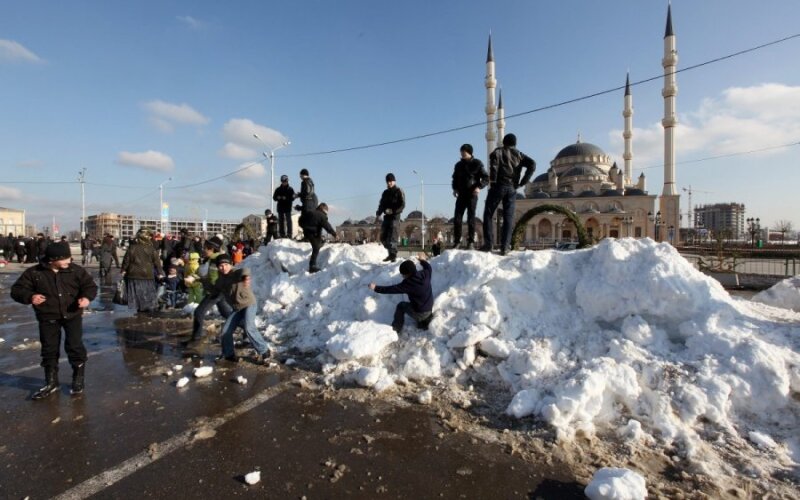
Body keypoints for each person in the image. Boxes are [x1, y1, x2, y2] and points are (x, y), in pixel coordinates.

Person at [10, 243, 98, 399]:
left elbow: (89, 286)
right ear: (52, 260)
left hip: (72, 315)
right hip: (47, 316)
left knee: (75, 346)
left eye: (69, 257)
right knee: (49, 349)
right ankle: (51, 382)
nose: (68, 260)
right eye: (64, 258)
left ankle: (78, 379)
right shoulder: (35, 272)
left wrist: (86, 298)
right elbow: (17, 290)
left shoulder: (75, 270)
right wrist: (30, 297)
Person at [481, 133, 536, 255]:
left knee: (488, 214)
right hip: (512, 188)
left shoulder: (498, 151)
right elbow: (533, 164)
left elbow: (494, 166)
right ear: (515, 144)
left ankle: (488, 244)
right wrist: (523, 181)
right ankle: (505, 247)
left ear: (504, 142)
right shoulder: (519, 155)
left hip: (498, 186)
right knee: (508, 217)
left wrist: (493, 182)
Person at [212, 254, 272, 363]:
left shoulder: (235, 273)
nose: (224, 267)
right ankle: (228, 354)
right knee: (225, 330)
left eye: (226, 264)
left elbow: (245, 271)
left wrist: (245, 277)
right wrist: (199, 280)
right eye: (221, 266)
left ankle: (264, 351)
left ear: (231, 264)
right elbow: (214, 289)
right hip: (237, 308)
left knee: (249, 327)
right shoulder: (220, 280)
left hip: (249, 304)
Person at [368, 252, 433, 333]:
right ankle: (423, 322)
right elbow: (428, 267)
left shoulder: (408, 284)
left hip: (421, 313)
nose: (402, 276)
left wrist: (375, 288)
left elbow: (390, 289)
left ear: (408, 274)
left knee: (401, 306)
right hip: (429, 309)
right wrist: (422, 260)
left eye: (403, 274)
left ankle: (396, 328)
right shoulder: (425, 274)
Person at [186, 237, 233, 347]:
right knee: (227, 314)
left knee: (199, 312)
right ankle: (246, 328)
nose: (203, 250)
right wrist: (193, 277)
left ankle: (196, 339)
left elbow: (222, 275)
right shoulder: (210, 260)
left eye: (205, 248)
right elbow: (203, 273)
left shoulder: (218, 260)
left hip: (215, 292)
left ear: (212, 249)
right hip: (216, 291)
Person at [451, 143, 489, 249]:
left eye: (464, 152)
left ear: (470, 152)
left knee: (471, 218)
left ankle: (471, 242)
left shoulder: (477, 163)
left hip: (472, 194)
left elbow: (486, 178)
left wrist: (479, 187)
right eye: (461, 152)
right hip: (461, 195)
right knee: (457, 218)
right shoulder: (458, 165)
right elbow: (454, 178)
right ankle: (457, 241)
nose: (462, 153)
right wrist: (454, 188)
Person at [120, 229, 165, 314]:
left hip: (133, 274)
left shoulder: (132, 247)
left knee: (137, 292)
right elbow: (157, 262)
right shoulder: (151, 249)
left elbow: (126, 260)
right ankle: (147, 307)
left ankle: (140, 308)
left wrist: (123, 270)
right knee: (147, 291)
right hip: (147, 274)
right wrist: (160, 273)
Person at [376, 173, 405, 262]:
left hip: (395, 217)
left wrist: (394, 211)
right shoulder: (385, 193)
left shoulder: (399, 191)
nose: (389, 183)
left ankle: (393, 256)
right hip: (386, 217)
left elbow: (402, 204)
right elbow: (381, 204)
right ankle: (391, 252)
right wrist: (378, 213)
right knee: (383, 237)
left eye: (391, 181)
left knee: (393, 236)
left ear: (394, 181)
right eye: (388, 181)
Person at [300, 203, 337, 273]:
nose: (327, 212)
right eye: (326, 210)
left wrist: (305, 227)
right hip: (314, 233)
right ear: (323, 209)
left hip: (306, 232)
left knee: (318, 242)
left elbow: (300, 220)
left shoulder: (310, 212)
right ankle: (312, 266)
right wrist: (334, 234)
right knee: (316, 247)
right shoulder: (321, 216)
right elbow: (327, 226)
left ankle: (320, 242)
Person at [273, 174, 295, 238]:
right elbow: (274, 198)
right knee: (281, 221)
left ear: (287, 181)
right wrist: (278, 197)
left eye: (285, 181)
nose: (284, 183)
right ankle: (282, 234)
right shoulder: (278, 189)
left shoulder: (290, 189)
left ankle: (289, 234)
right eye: (283, 181)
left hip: (288, 207)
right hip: (280, 207)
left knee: (288, 221)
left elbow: (293, 198)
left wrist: (286, 198)